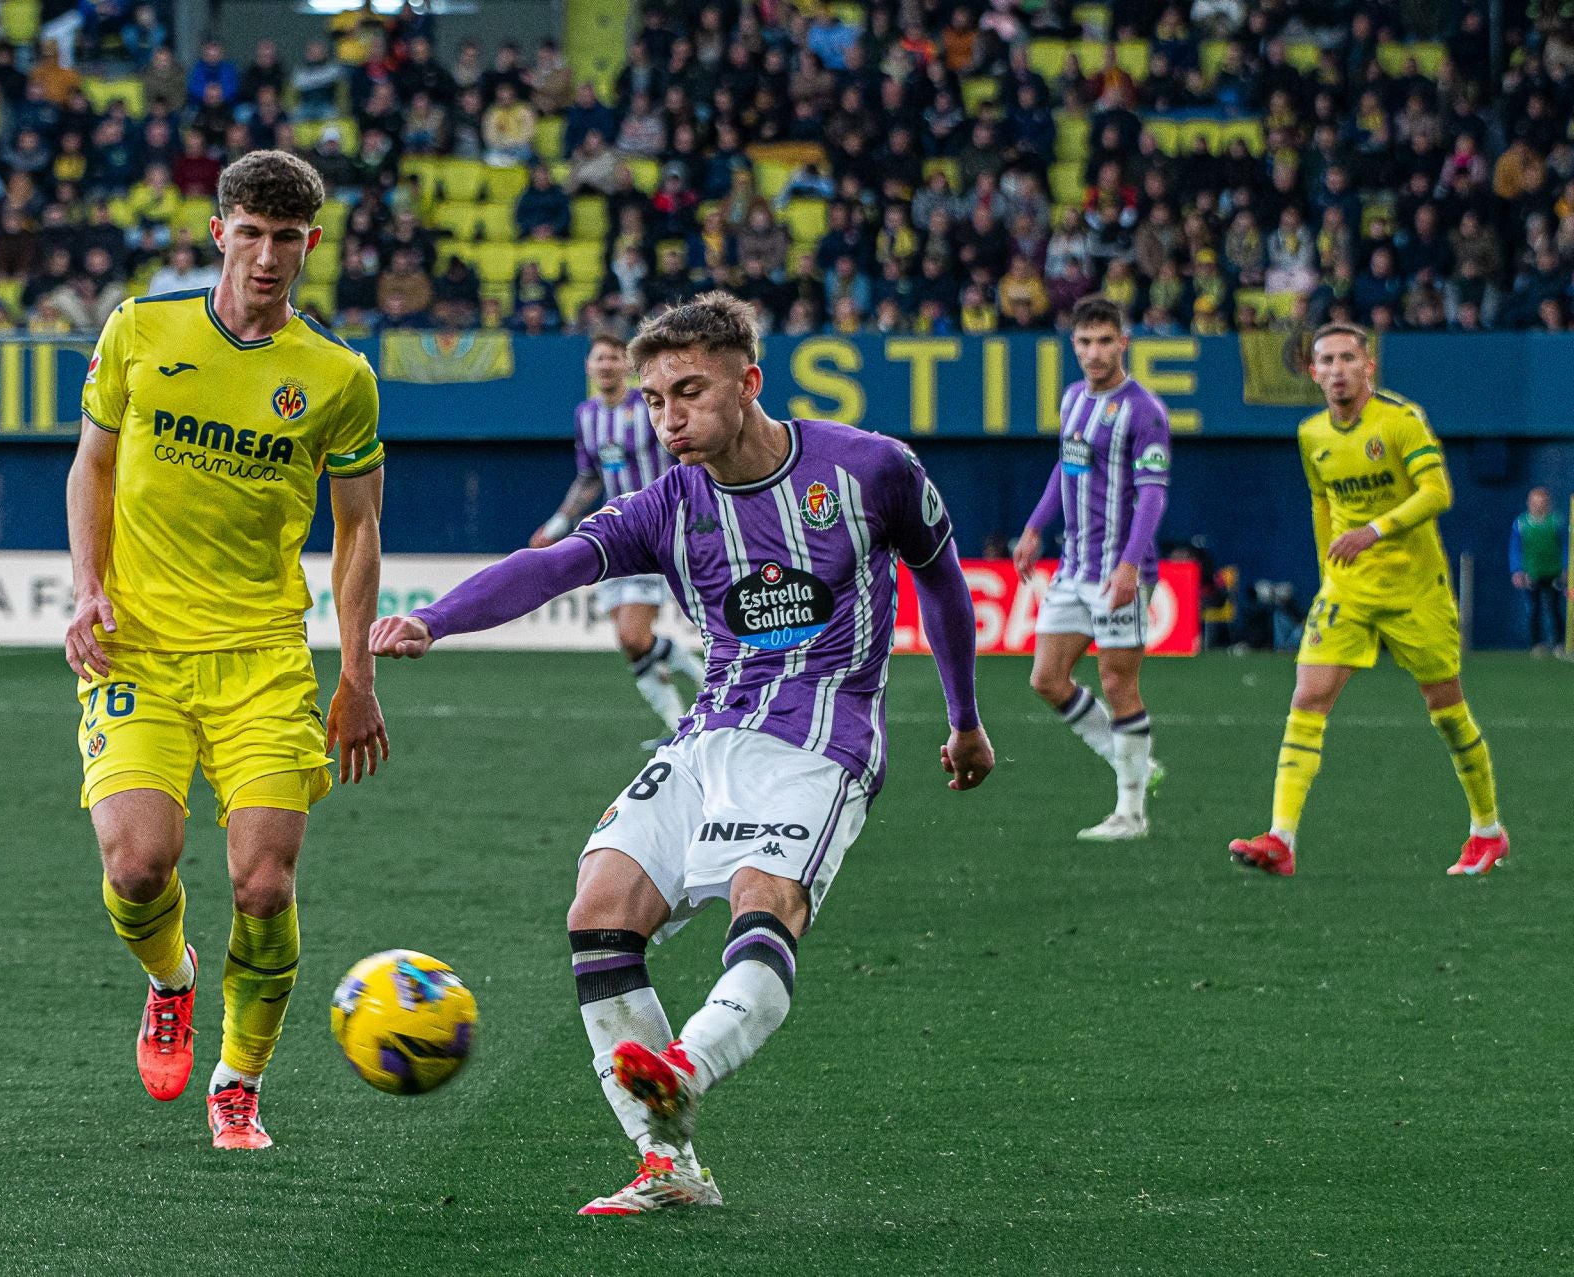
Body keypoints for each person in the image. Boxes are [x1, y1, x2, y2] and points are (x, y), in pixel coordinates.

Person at [372, 293, 993, 1213]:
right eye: (656, 398)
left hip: (820, 737)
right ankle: (668, 1162)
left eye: (689, 392)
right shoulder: (667, 505)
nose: (668, 418)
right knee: (599, 907)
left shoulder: (871, 470)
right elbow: (552, 564)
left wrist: (965, 716)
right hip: (708, 733)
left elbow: (942, 582)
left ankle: (685, 1066)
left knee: (764, 899)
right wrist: (435, 617)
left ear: (749, 382)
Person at [64, 150, 389, 1151]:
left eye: (286, 238)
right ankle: (172, 980)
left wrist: (358, 672)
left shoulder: (337, 375)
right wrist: (88, 586)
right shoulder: (140, 328)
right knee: (135, 866)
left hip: (260, 657)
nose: (266, 256)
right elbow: (95, 464)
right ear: (218, 232)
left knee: (264, 883)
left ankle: (238, 1082)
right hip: (141, 648)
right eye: (249, 232)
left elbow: (358, 529)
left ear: (311, 245)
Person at [1230, 324, 1507, 877]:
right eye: (1326, 360)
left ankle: (1487, 831)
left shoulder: (1400, 421)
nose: (1336, 369)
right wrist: (1326, 574)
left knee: (1446, 711)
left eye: (1346, 358)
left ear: (1368, 366)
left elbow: (1437, 492)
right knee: (1308, 697)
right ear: (1313, 373)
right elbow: (1321, 504)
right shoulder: (1311, 435)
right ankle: (1281, 838)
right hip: (1349, 592)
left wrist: (1374, 532)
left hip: (1414, 589)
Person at [1012, 297, 1170, 840]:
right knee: (1047, 679)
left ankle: (1131, 813)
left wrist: (1130, 567)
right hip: (1074, 566)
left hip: (1117, 573)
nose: (1094, 352)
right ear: (1073, 345)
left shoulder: (1144, 410)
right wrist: (1035, 527)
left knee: (1117, 681)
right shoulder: (1074, 399)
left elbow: (1152, 497)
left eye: (1105, 341)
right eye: (1084, 342)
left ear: (1123, 342)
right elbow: (1066, 466)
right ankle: (1134, 764)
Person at [529, 332, 706, 747]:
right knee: (632, 646)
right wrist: (558, 524)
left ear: (625, 366)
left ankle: (706, 677)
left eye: (613, 358)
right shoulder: (585, 414)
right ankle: (679, 726)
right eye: (598, 359)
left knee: (633, 635)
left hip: (659, 529)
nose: (605, 365)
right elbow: (589, 477)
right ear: (589, 367)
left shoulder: (648, 407)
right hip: (617, 531)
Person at [1508, 487, 1567, 656]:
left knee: (1555, 608)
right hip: (1531, 573)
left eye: (1541, 502)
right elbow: (1515, 549)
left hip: (1554, 572)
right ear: (1529, 503)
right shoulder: (1521, 523)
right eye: (1534, 502)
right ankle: (1536, 644)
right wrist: (1517, 570)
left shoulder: (1556, 521)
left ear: (1548, 503)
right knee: (1534, 609)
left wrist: (1565, 567)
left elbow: (1564, 546)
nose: (1538, 506)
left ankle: (1558, 643)